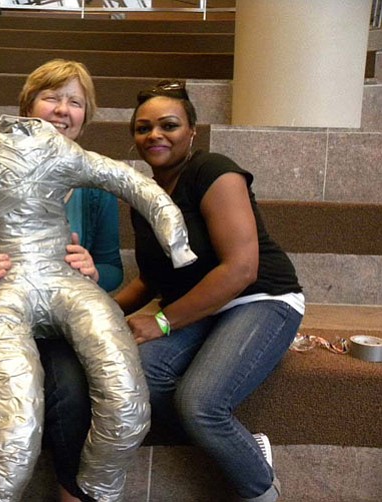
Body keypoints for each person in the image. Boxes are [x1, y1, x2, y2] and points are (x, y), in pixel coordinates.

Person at [0, 59, 123, 502]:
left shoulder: (95, 184)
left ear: (84, 118)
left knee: (73, 388)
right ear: (27, 108)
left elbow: (114, 269)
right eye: (51, 97)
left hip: (61, 309)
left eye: (74, 102)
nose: (62, 110)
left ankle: (71, 491)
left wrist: (95, 270)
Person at [115, 80, 305, 501]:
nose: (155, 136)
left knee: (200, 403)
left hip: (260, 299)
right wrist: (100, 310)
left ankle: (261, 490)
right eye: (143, 128)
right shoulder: (144, 196)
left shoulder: (213, 170)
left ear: (192, 132)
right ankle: (237, 442)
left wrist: (162, 322)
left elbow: (241, 269)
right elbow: (150, 279)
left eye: (169, 125)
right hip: (198, 308)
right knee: (141, 377)